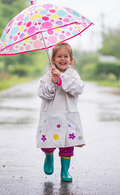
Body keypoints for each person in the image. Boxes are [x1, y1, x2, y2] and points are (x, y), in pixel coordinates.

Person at [36, 42, 85, 182]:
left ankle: (65, 171)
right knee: (49, 141)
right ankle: (49, 156)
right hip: (51, 117)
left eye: (66, 56)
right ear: (53, 59)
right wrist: (52, 82)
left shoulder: (73, 75)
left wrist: (62, 78)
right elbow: (43, 94)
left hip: (68, 117)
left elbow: (78, 89)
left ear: (71, 59)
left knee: (67, 145)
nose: (62, 59)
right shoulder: (47, 76)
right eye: (59, 56)